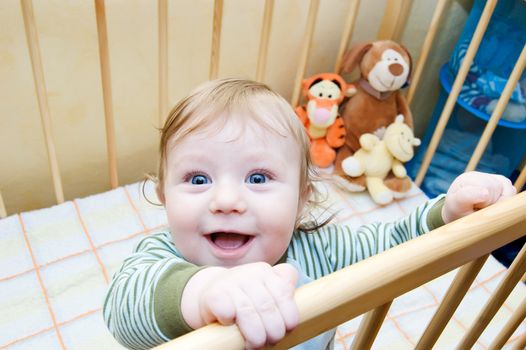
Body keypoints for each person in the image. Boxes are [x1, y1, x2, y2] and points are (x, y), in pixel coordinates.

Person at [103, 78, 516, 350]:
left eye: (259, 177)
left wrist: (448, 213)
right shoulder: (161, 260)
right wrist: (202, 293)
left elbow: (392, 245)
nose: (225, 200)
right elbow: (123, 310)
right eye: (197, 180)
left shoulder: (320, 248)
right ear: (163, 195)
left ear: (301, 199)